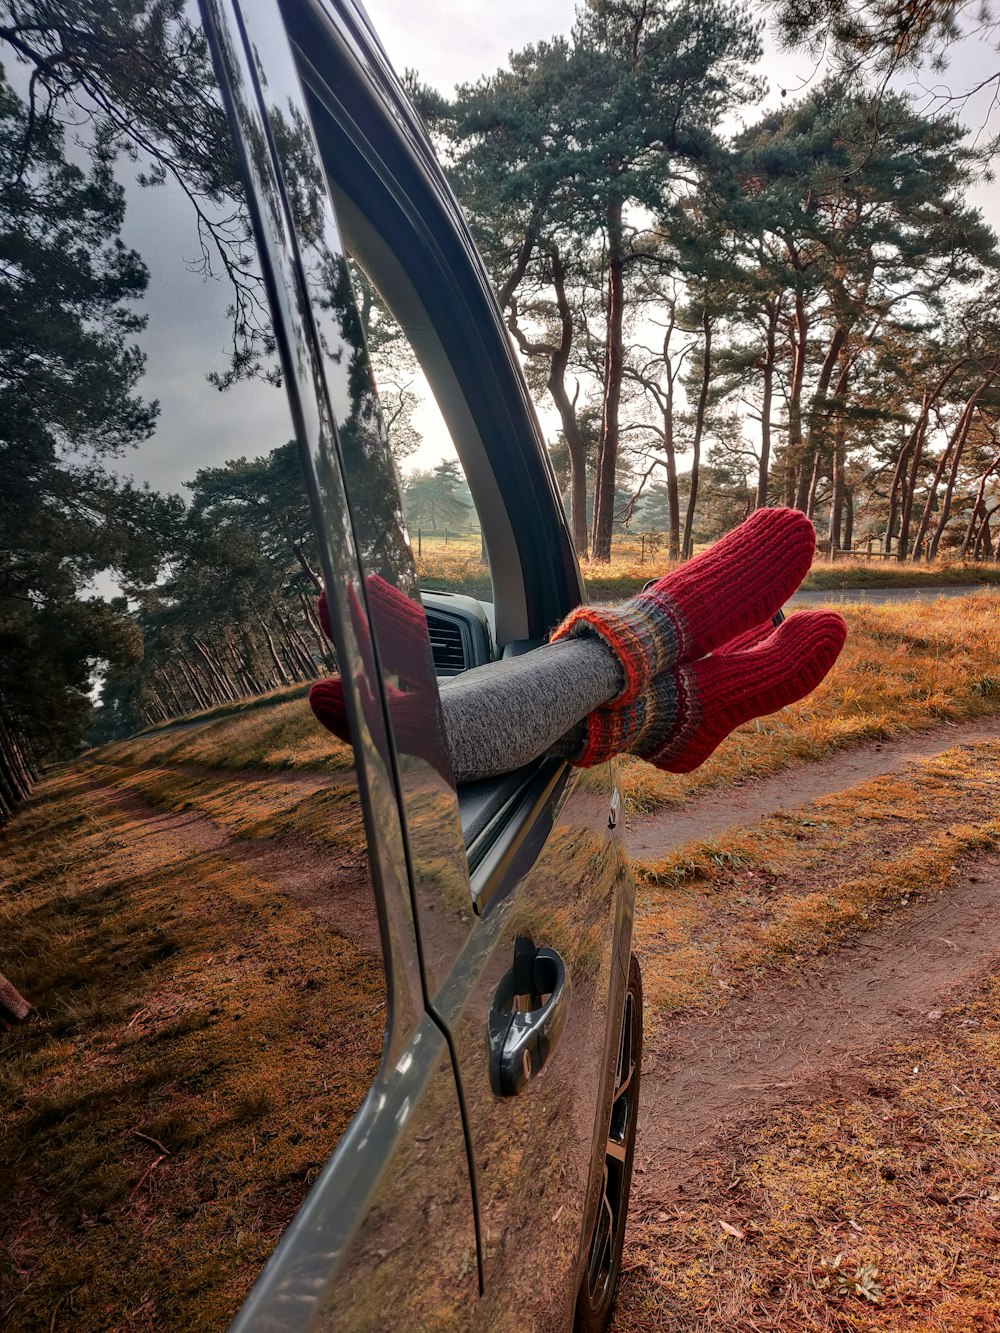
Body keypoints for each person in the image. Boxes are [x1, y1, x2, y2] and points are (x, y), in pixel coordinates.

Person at [309, 507, 847, 784]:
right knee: (448, 723)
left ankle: (672, 682)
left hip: (465, 711)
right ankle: (665, 663)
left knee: (462, 706)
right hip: (456, 730)